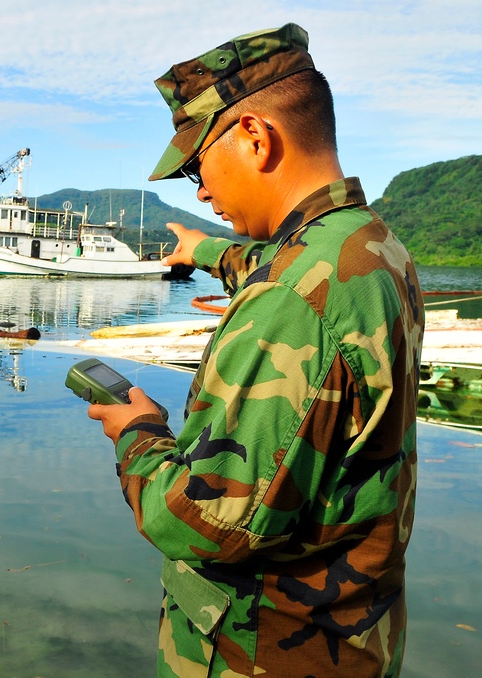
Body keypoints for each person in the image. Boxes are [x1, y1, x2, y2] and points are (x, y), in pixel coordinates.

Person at [87, 24, 422, 677]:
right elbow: (273, 266)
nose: (202, 191)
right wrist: (200, 250)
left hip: (264, 650)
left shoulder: (292, 304)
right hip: (353, 640)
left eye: (194, 166)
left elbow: (200, 522)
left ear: (254, 136)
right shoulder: (370, 248)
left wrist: (139, 432)